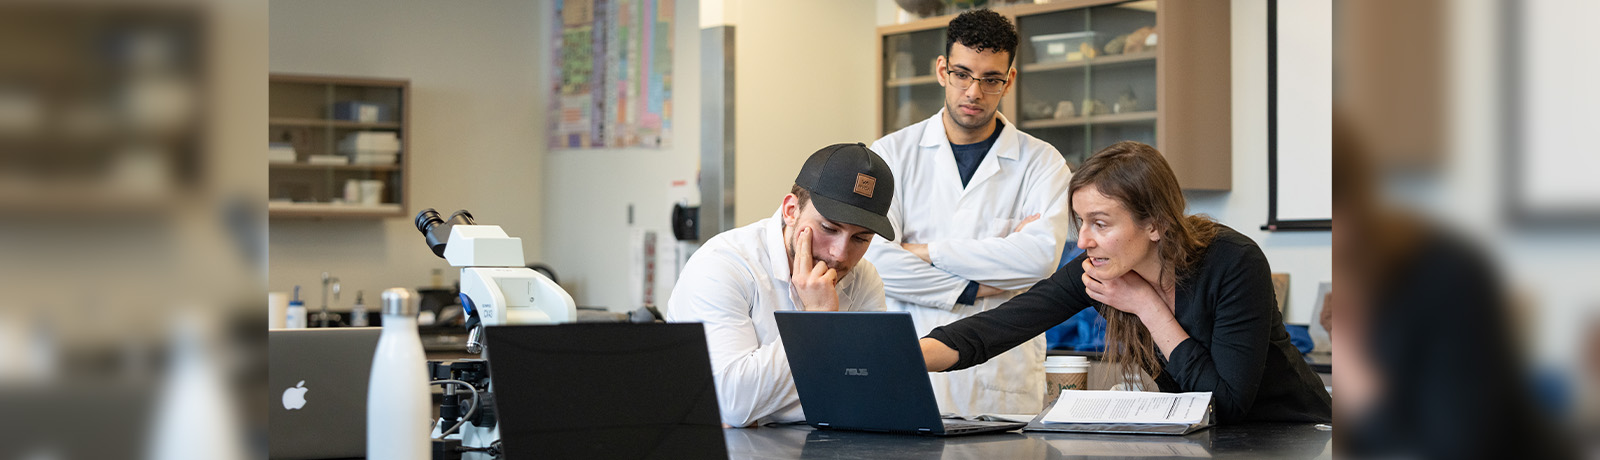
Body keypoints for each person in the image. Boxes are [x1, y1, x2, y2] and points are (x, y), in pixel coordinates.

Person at [919, 141, 1332, 423]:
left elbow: (1226, 403)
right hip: (1212, 442)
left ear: (1155, 223)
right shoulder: (1102, 267)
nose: (1083, 241)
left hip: (1296, 436)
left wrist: (1147, 306)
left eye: (1100, 223)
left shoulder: (1233, 262)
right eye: (1081, 223)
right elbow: (998, 327)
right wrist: (906, 358)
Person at [865, 8, 1073, 416]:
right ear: (942, 70)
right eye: (962, 74)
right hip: (913, 363)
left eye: (991, 79)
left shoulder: (1042, 163)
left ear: (1009, 80)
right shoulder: (891, 154)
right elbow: (875, 260)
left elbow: (1039, 259)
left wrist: (924, 251)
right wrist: (973, 288)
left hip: (1001, 376)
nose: (974, 92)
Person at [666, 143, 896, 427]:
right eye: (829, 228)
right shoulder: (722, 266)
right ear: (790, 210)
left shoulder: (863, 278)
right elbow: (733, 404)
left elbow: (873, 395)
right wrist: (817, 321)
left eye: (861, 239)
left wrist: (767, 405)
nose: (840, 253)